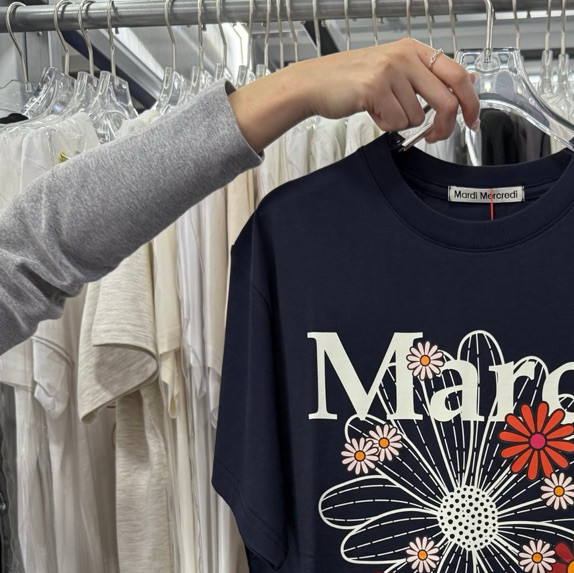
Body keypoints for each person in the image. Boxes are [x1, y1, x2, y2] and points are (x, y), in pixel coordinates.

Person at [0, 38, 480, 352]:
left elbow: (32, 253)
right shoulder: (283, 224)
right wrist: (298, 87)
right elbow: (35, 253)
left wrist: (296, 87)